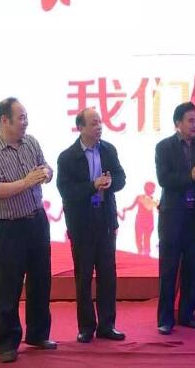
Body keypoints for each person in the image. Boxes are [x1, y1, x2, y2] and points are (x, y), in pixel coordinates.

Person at [0, 97, 57, 363]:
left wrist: (46, 173)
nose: (25, 122)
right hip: (8, 227)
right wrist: (26, 182)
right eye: (20, 118)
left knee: (41, 280)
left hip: (36, 221)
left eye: (26, 117)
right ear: (4, 121)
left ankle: (38, 334)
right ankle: (7, 344)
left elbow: (46, 167)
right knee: (8, 286)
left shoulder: (30, 142)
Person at [57, 108, 127, 344]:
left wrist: (111, 182)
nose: (99, 127)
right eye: (94, 123)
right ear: (81, 128)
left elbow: (122, 178)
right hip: (82, 225)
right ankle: (86, 326)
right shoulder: (67, 157)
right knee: (84, 277)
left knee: (108, 275)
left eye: (100, 122)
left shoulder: (108, 150)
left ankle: (107, 325)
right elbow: (67, 191)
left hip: (105, 221)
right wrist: (92, 186)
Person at [155, 102, 195, 335]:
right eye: (190, 121)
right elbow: (164, 179)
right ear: (178, 123)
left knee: (193, 269)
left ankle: (187, 314)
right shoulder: (164, 147)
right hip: (172, 219)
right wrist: (190, 176)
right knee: (169, 271)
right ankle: (165, 319)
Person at [122, 181, 159, 256]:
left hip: (149, 221)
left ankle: (146, 255)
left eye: (152, 188)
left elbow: (159, 210)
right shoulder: (140, 197)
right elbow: (132, 207)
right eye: (150, 187)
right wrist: (126, 209)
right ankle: (140, 253)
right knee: (138, 238)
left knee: (147, 238)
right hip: (140, 220)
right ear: (145, 187)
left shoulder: (155, 200)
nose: (151, 189)